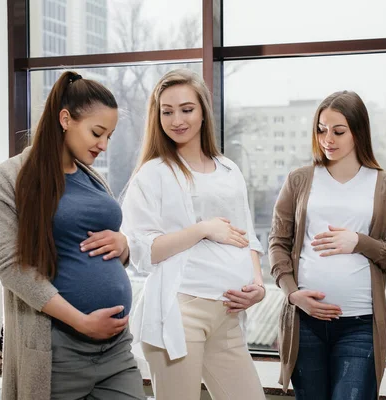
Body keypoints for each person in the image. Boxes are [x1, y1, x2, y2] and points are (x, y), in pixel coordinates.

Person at [0, 71, 145, 400]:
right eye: (97, 132)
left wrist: (124, 244)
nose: (103, 145)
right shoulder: (10, 178)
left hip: (116, 350)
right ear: (65, 119)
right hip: (58, 351)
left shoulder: (91, 178)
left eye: (109, 136)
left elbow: (97, 241)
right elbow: (11, 266)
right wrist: (81, 321)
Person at [121, 69, 266, 400]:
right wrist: (203, 229)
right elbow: (144, 251)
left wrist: (257, 286)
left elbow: (249, 239)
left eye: (186, 109)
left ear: (203, 111)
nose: (176, 120)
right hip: (179, 311)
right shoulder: (152, 174)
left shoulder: (229, 170)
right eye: (167, 111)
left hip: (227, 315)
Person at [268, 90, 386, 399]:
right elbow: (278, 243)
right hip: (304, 324)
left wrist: (360, 242)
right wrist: (293, 295)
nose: (327, 139)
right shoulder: (299, 180)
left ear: (358, 132)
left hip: (360, 327)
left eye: (338, 131)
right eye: (321, 129)